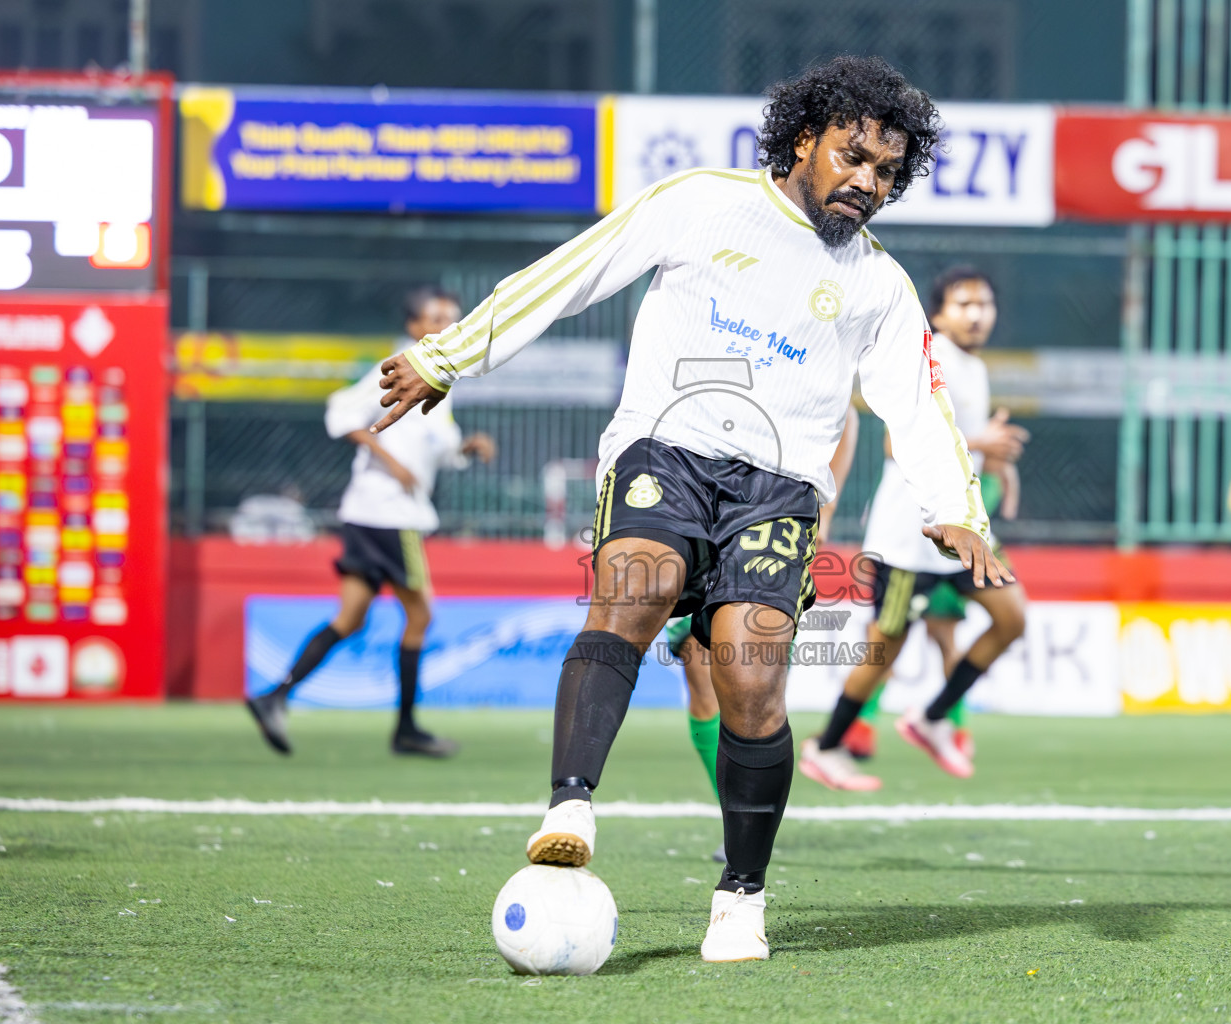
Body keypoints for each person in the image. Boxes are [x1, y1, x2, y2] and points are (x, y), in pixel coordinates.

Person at [372, 57, 1010, 963]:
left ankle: (741, 899)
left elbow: (918, 402)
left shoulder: (882, 286)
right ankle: (570, 805)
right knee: (638, 592)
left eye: (886, 172)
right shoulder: (701, 203)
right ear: (803, 140)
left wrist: (958, 506)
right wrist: (450, 355)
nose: (867, 182)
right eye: (852, 156)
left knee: (751, 678)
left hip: (778, 491)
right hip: (664, 453)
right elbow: (572, 272)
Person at [799, 267, 1029, 791]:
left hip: (960, 534)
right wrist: (981, 443)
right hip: (910, 538)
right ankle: (827, 745)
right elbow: (894, 444)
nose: (977, 313)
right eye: (964, 303)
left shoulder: (973, 366)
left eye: (985, 303)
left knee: (1012, 616)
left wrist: (996, 462)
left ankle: (933, 717)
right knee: (885, 650)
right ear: (941, 312)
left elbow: (966, 446)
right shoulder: (934, 354)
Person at [245, 286, 496, 758]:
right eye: (437, 317)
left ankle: (274, 696)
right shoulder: (398, 365)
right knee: (420, 614)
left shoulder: (438, 378)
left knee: (351, 618)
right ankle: (405, 730)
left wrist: (465, 450)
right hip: (388, 515)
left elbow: (432, 448)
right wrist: (387, 461)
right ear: (414, 326)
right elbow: (340, 412)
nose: (448, 325)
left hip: (369, 514)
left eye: (453, 318)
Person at [667, 404, 860, 864]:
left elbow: (845, 415)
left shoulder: (805, 360)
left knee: (751, 684)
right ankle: (733, 817)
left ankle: (746, 823)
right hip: (699, 509)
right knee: (699, 677)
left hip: (768, 521)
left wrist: (823, 510)